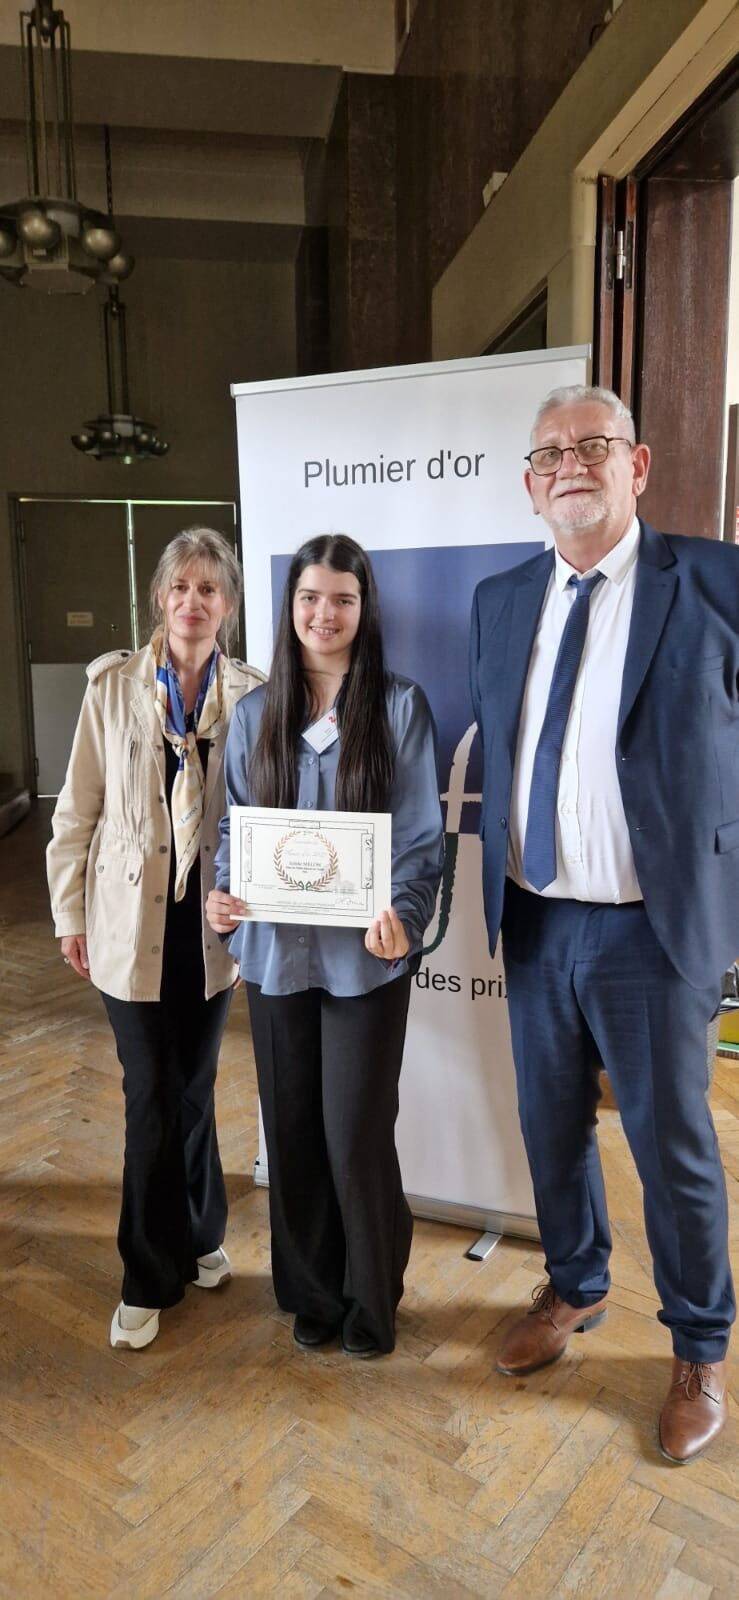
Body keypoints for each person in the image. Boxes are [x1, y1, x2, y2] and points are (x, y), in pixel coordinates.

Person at [470, 384, 738, 1464]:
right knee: (549, 1127)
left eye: (594, 444)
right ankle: (575, 1285)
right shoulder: (499, 600)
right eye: (550, 452)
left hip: (651, 930)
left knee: (672, 1146)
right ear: (531, 485)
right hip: (535, 923)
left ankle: (697, 1345)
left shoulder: (717, 581)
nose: (571, 461)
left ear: (638, 466)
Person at [207, 533, 444, 1357]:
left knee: (354, 1133)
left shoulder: (400, 709)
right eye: (310, 597)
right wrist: (225, 898)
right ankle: (310, 1291)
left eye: (342, 598)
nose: (324, 613)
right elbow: (237, 828)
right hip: (275, 959)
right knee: (294, 1130)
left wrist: (405, 917)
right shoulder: (252, 714)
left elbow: (419, 841)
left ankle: (370, 1298)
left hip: (365, 964)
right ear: (291, 608)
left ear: (363, 608)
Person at [47, 527, 264, 1349]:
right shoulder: (112, 688)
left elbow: (263, 814)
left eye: (209, 589)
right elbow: (76, 814)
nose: (193, 602)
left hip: (210, 926)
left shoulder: (252, 696)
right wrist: (69, 915)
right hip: (126, 921)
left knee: (194, 1087)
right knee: (149, 1092)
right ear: (160, 599)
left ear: (228, 606)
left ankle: (203, 1234)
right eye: (180, 587)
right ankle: (146, 1272)